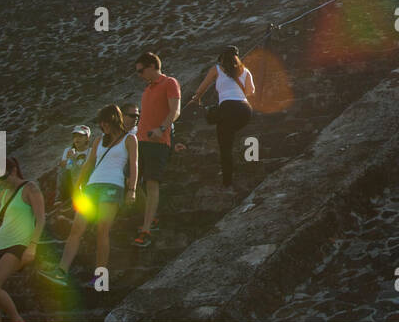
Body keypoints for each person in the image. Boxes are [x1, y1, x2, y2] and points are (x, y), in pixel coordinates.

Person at [40, 106, 137, 285]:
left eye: (105, 122)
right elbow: (88, 165)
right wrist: (77, 189)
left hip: (113, 186)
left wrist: (132, 190)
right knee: (76, 229)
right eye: (101, 123)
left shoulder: (129, 139)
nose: (103, 126)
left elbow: (134, 165)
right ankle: (61, 271)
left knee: (102, 230)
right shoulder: (99, 140)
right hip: (92, 186)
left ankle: (101, 277)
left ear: (114, 119)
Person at [0, 157, 44, 322]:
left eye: (2, 178)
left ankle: (17, 320)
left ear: (13, 170)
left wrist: (32, 247)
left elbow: (41, 219)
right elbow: (4, 225)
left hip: (18, 245)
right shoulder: (5, 194)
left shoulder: (30, 188)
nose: (0, 182)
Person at [189, 46, 255, 187]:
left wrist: (196, 99)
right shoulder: (246, 71)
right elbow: (250, 91)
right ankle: (249, 159)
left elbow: (202, 88)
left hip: (227, 108)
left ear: (221, 59)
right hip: (245, 109)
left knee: (225, 147)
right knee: (233, 132)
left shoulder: (217, 69)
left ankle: (227, 182)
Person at [132, 52, 179, 248]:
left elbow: (175, 110)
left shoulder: (169, 83)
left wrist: (161, 129)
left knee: (151, 183)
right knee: (133, 181)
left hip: (157, 142)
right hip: (141, 142)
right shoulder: (147, 90)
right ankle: (151, 219)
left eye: (141, 71)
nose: (140, 75)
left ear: (153, 66)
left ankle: (146, 230)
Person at [56, 125, 90, 210]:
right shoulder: (68, 150)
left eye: (80, 136)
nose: (76, 139)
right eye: (75, 136)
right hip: (71, 178)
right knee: (64, 169)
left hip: (85, 177)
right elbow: (66, 168)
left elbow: (89, 167)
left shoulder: (91, 150)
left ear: (87, 138)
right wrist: (70, 158)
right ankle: (62, 198)